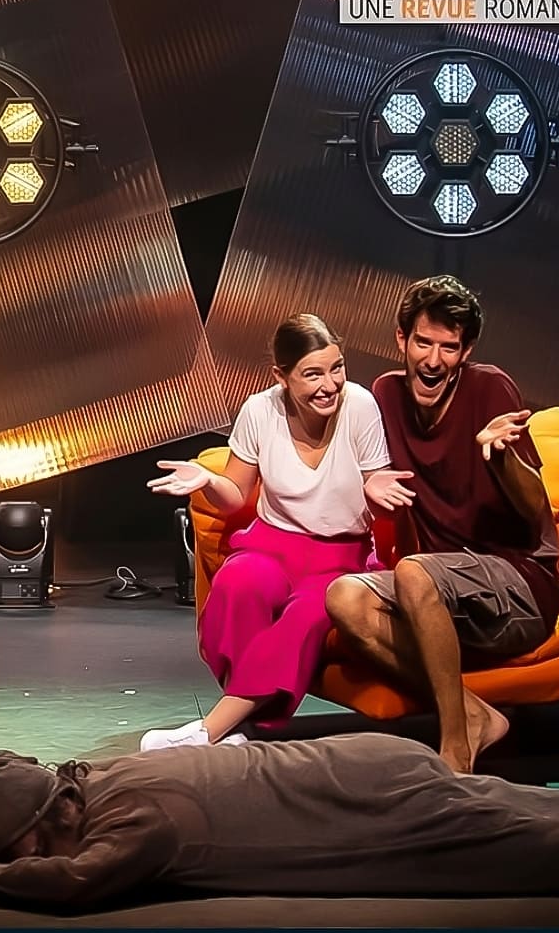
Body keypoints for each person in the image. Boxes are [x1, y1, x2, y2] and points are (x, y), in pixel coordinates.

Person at [0, 735, 559, 910]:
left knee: (546, 850)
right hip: (374, 760)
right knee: (548, 806)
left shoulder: (142, 820)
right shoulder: (88, 778)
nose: (25, 856)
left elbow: (73, 880)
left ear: (59, 811)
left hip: (375, 806)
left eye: (29, 846)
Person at [326, 275, 559, 772]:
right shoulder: (386, 395)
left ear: (465, 351)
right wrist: (370, 481)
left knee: (415, 571)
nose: (433, 360)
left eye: (449, 347)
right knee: (345, 596)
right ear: (401, 340)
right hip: (438, 592)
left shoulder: (489, 388)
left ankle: (454, 750)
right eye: (423, 343)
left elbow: (534, 509)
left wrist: (501, 458)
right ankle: (475, 715)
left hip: (518, 586)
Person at [142, 314, 402, 749]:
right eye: (313, 374)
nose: (330, 385)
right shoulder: (259, 410)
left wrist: (376, 489)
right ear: (281, 376)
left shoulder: (359, 405)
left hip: (341, 558)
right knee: (238, 584)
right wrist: (208, 481)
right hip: (272, 544)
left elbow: (377, 488)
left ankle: (212, 729)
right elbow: (235, 496)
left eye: (337, 368)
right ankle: (245, 728)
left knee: (306, 615)